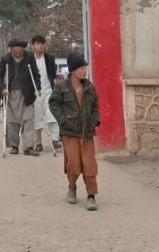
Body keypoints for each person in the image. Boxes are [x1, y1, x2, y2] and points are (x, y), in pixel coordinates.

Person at [49, 53, 100, 211]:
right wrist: (63, 120)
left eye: (85, 68)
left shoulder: (89, 86)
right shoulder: (61, 87)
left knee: (89, 164)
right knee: (74, 165)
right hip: (70, 132)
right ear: (73, 70)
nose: (84, 71)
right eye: (81, 68)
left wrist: (95, 120)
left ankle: (91, 195)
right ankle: (72, 187)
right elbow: (53, 104)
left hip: (86, 131)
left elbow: (95, 105)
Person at [0, 39, 41, 156]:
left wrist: (37, 88)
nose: (18, 54)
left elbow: (35, 74)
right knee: (12, 121)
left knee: (28, 120)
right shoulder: (5, 59)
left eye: (20, 52)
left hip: (27, 93)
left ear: (23, 50)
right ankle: (14, 146)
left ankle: (28, 147)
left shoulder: (29, 57)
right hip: (11, 94)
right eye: (15, 52)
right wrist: (2, 89)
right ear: (11, 49)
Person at [31, 35, 61, 152]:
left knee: (51, 115)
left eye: (42, 44)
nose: (40, 46)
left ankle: (55, 140)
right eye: (37, 43)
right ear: (33, 45)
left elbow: (53, 74)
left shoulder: (49, 58)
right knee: (37, 118)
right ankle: (38, 143)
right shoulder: (29, 59)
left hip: (48, 91)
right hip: (35, 93)